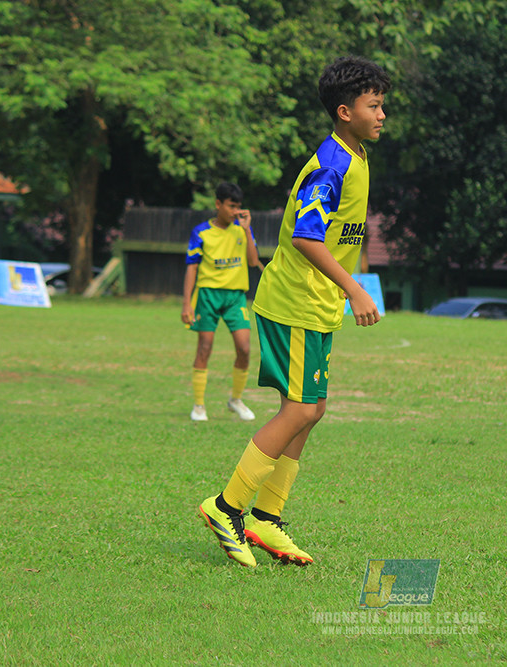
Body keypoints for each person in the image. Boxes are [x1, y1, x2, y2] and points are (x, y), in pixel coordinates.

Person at [197, 56, 390, 568]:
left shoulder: (356, 155)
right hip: (296, 302)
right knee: (301, 408)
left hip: (314, 303)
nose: (382, 115)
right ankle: (226, 507)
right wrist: (354, 289)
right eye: (375, 106)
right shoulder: (333, 163)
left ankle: (267, 518)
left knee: (312, 408)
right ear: (345, 111)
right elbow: (307, 235)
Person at [181, 182, 263, 422]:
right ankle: (198, 406)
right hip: (207, 295)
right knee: (204, 348)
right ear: (218, 204)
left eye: (238, 206)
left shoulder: (242, 229)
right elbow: (191, 268)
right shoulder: (201, 232)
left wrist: (247, 230)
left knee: (245, 348)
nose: (235, 211)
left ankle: (235, 400)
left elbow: (252, 261)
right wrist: (187, 303)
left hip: (235, 296)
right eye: (231, 206)